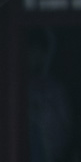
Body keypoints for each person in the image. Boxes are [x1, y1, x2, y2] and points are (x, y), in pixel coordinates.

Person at [25, 30, 71, 162]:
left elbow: (64, 126)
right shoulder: (9, 85)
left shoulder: (53, 89)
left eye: (39, 52)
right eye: (32, 51)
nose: (35, 57)